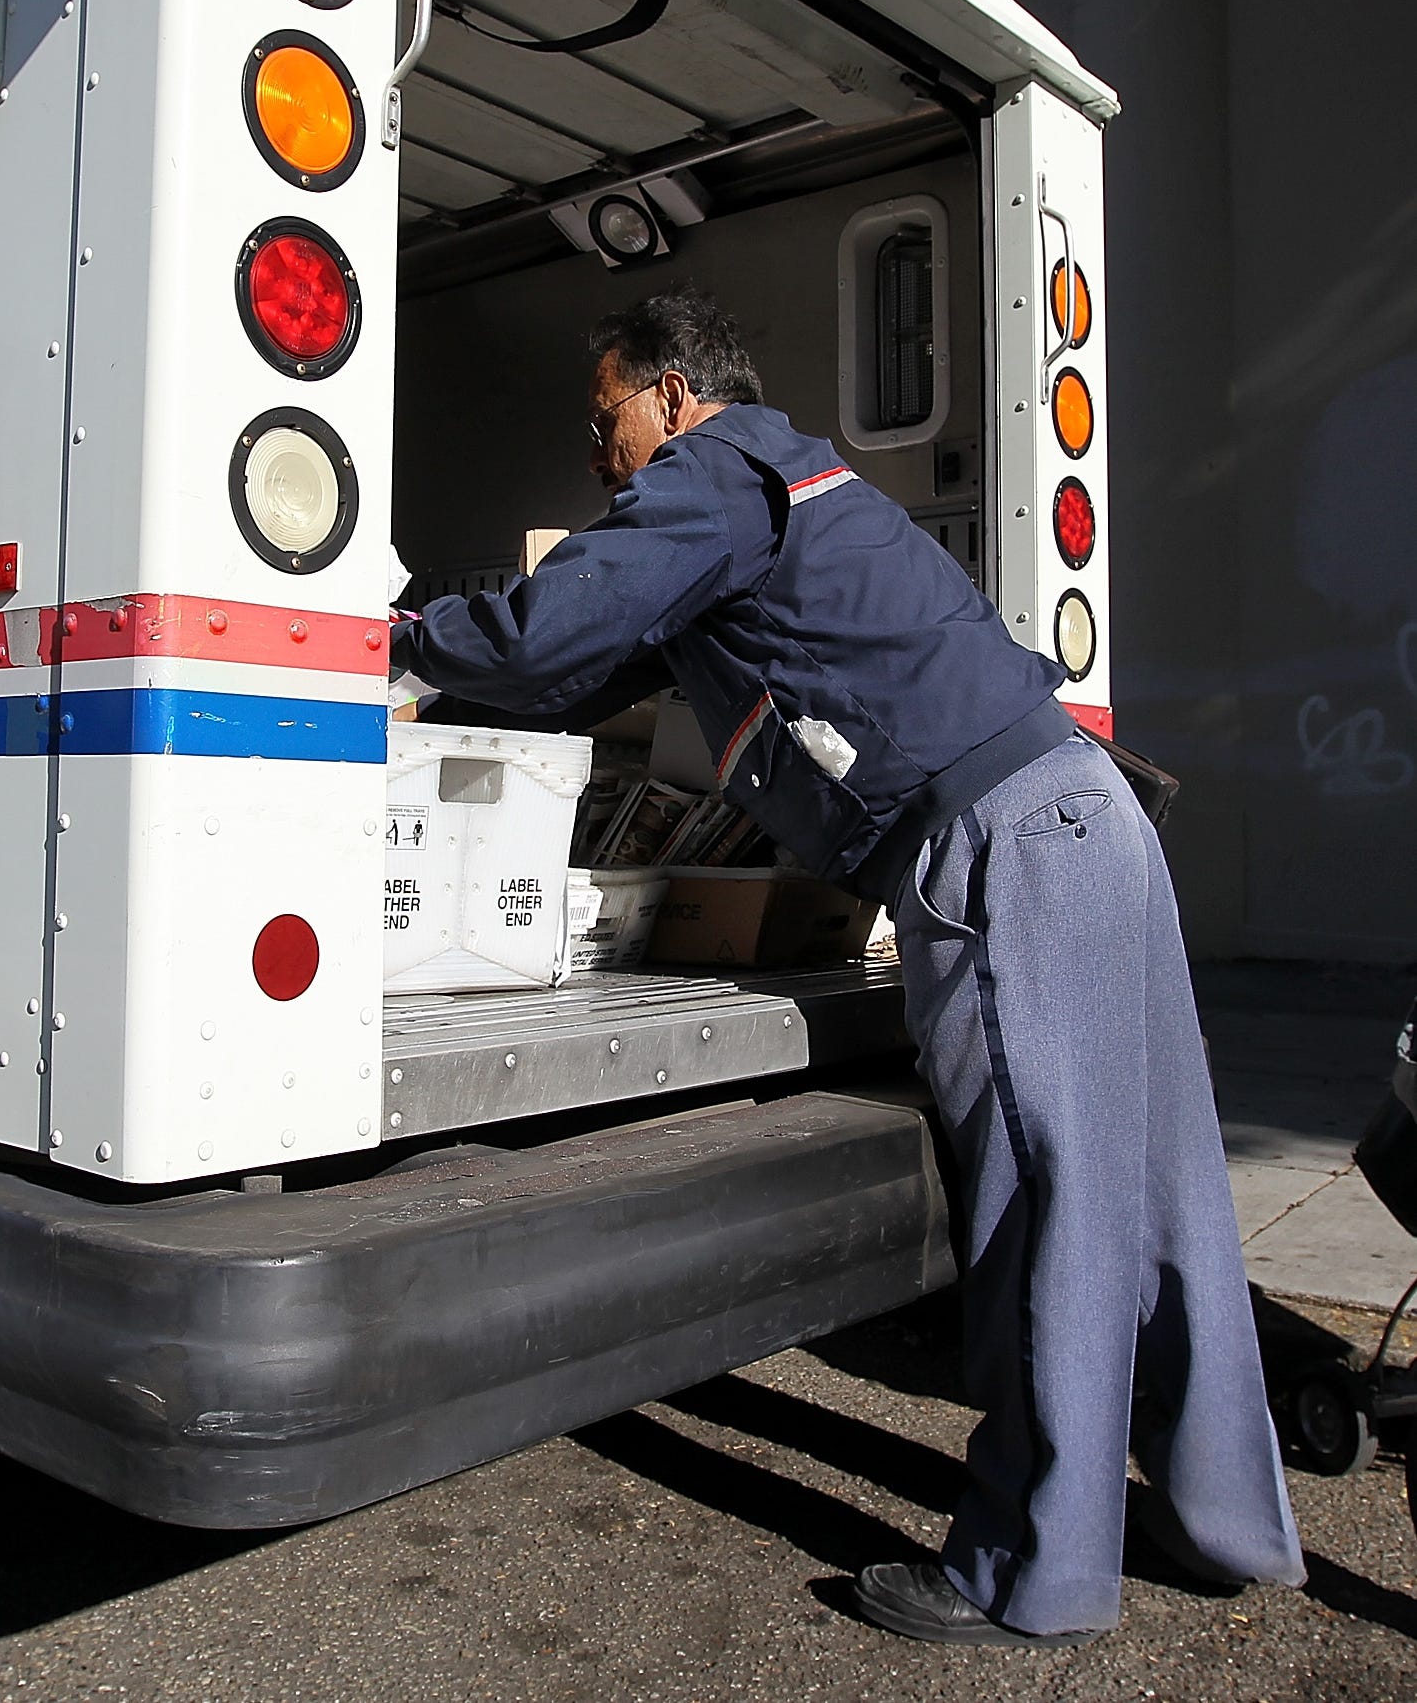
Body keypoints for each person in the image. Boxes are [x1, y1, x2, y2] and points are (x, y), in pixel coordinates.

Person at [387, 285, 1303, 1646]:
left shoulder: (712, 469)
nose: (599, 457)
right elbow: (574, 675)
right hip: (1087, 819)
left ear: (674, 394)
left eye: (605, 421)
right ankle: (1226, 1517)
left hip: (1007, 854)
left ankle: (1027, 1574)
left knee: (1042, 1208)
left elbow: (545, 634)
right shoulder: (781, 484)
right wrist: (454, 675)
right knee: (1158, 1193)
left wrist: (381, 637)